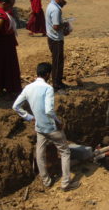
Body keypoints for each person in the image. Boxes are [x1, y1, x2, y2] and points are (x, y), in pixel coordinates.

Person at [12, 62, 80, 191]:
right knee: (65, 152)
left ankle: (46, 181)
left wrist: (29, 117)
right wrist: (58, 122)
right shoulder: (48, 88)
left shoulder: (28, 88)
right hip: (51, 127)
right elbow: (49, 110)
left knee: (40, 153)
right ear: (48, 74)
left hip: (39, 127)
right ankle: (66, 183)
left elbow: (15, 106)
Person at [45, 0, 68, 91]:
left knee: (57, 60)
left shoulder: (51, 6)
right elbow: (56, 26)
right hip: (56, 39)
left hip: (52, 37)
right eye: (64, 0)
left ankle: (58, 82)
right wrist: (66, 25)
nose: (65, 3)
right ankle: (56, 84)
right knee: (58, 62)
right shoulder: (55, 9)